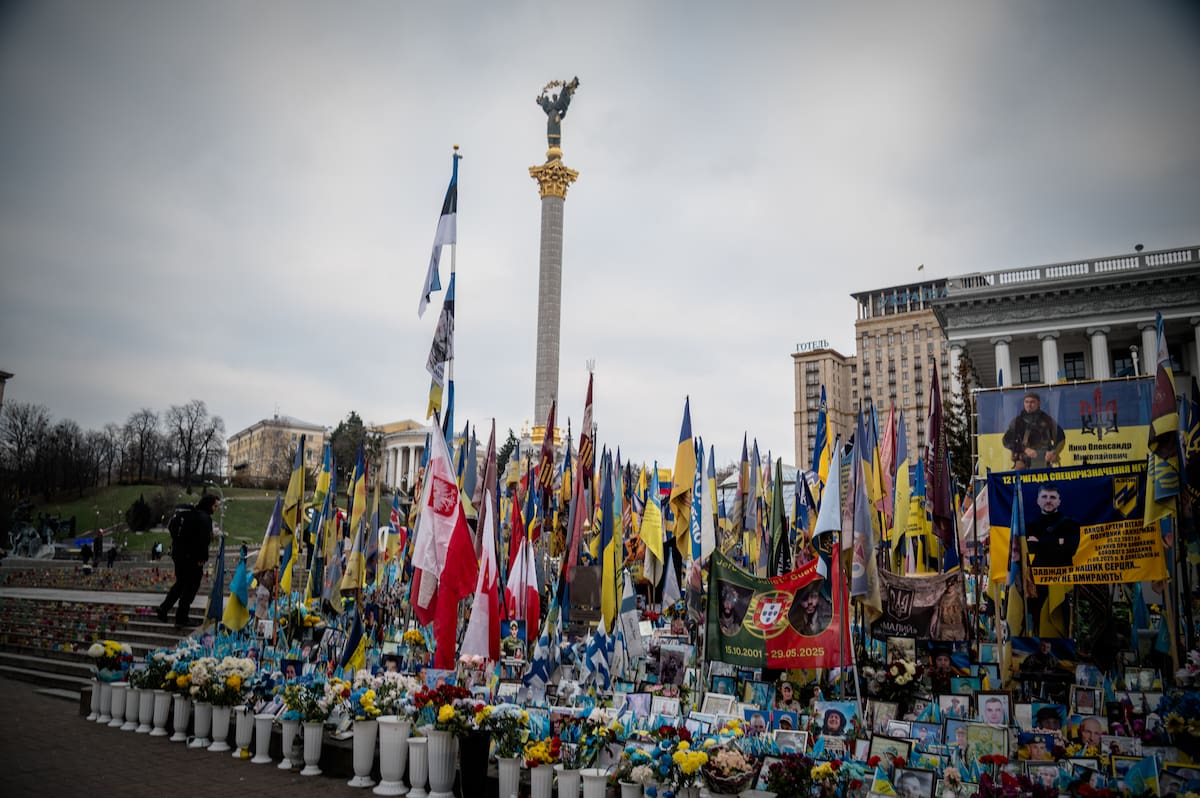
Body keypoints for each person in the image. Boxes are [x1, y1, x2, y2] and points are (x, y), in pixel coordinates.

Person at [1025, 484, 1080, 633]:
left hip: (1062, 585)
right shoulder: (1030, 526)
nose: (1048, 501)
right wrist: (1057, 542)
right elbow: (1030, 548)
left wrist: (1041, 542)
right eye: (1044, 497)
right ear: (1037, 500)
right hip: (1038, 585)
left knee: (1063, 626)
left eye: (1052, 497)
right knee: (1038, 627)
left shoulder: (1071, 525)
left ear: (1059, 501)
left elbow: (1071, 549)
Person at [156, 494, 216, 627]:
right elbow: (203, 541)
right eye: (214, 505)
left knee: (181, 583)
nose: (215, 508)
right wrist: (201, 558)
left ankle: (164, 609)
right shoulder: (204, 518)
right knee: (191, 587)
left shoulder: (191, 515)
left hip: (178, 555)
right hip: (192, 559)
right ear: (208, 505)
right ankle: (181, 617)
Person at [1002, 392, 1066, 470]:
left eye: (1032, 402)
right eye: (1026, 402)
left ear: (1038, 403)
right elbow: (1006, 441)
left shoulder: (1047, 420)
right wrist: (1024, 449)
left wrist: (1053, 452)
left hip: (1045, 463)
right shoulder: (1017, 422)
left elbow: (1061, 438)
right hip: (1023, 464)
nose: (1029, 405)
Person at [536, 77, 580, 150]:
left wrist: (560, 117)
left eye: (555, 96)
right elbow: (543, 103)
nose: (554, 97)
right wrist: (541, 100)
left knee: (556, 133)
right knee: (550, 132)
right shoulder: (549, 104)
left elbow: (563, 104)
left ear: (556, 97)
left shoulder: (558, 103)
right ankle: (552, 147)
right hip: (551, 118)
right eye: (553, 96)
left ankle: (556, 146)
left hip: (556, 117)